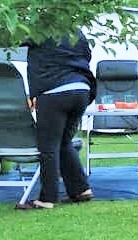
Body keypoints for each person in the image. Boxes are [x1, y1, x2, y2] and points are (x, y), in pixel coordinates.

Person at [21, 30, 96, 210]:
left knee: (48, 147)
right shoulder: (76, 31)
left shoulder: (39, 30)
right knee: (63, 142)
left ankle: (47, 198)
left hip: (54, 92)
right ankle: (81, 189)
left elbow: (14, 37)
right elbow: (87, 54)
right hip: (82, 89)